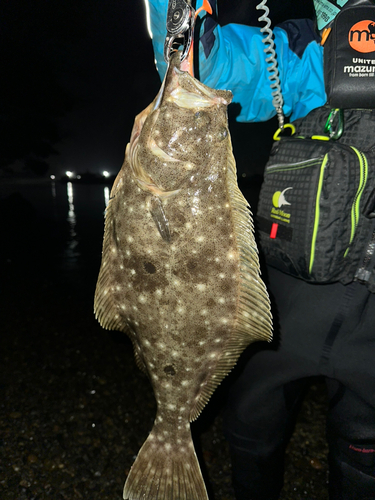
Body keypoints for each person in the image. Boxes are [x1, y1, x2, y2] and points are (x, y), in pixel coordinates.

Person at [146, 1, 375, 498]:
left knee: (365, 458)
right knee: (251, 428)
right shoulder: (329, 42)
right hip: (288, 296)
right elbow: (222, 66)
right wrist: (185, 28)